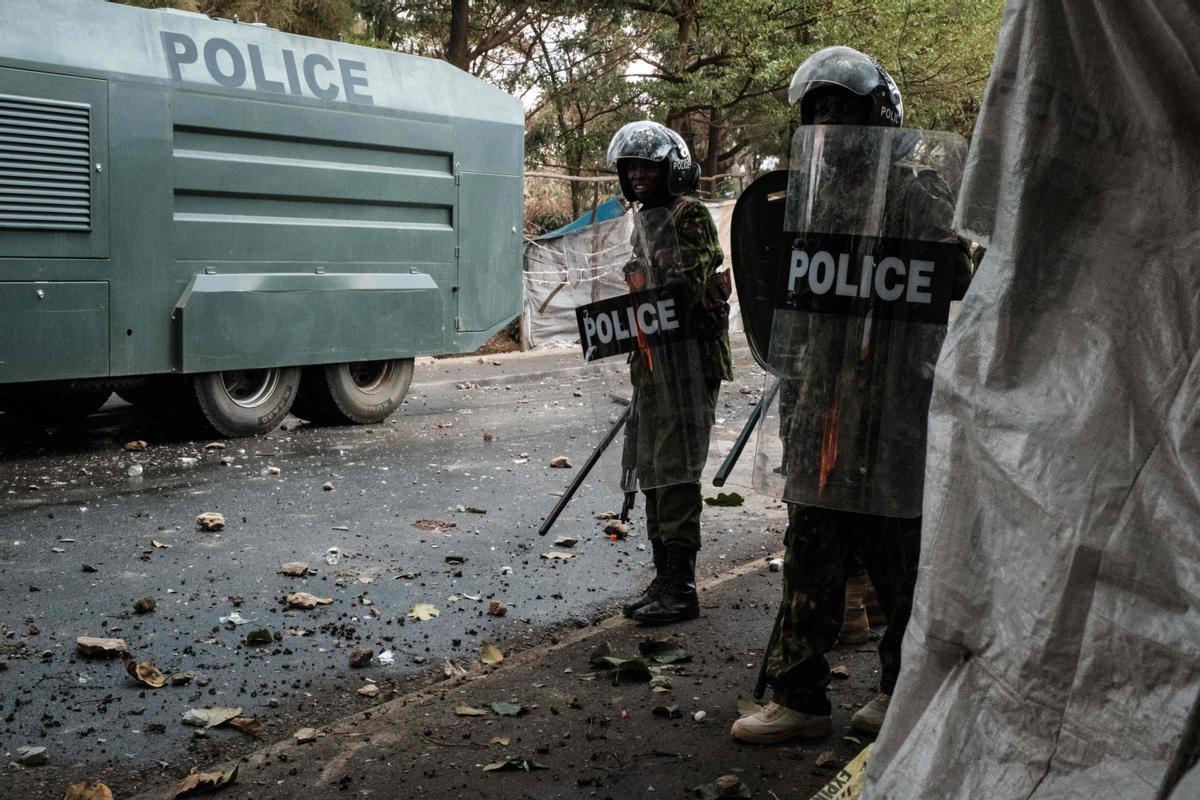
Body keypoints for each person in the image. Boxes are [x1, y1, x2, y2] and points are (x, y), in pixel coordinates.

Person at [730, 47, 972, 742]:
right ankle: (798, 697)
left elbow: (954, 279)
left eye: (843, 107)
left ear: (877, 114)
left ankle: (901, 690)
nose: (831, 120)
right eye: (819, 110)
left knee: (899, 557)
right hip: (822, 400)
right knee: (811, 547)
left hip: (893, 404)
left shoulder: (918, 189)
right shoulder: (807, 190)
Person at [604, 120, 733, 626]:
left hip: (689, 363)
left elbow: (684, 285)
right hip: (653, 364)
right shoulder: (646, 219)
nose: (637, 175)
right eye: (630, 166)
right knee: (653, 469)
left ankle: (681, 587)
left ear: (672, 168)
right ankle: (663, 578)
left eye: (647, 166)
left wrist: (650, 282)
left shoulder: (690, 215)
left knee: (677, 470)